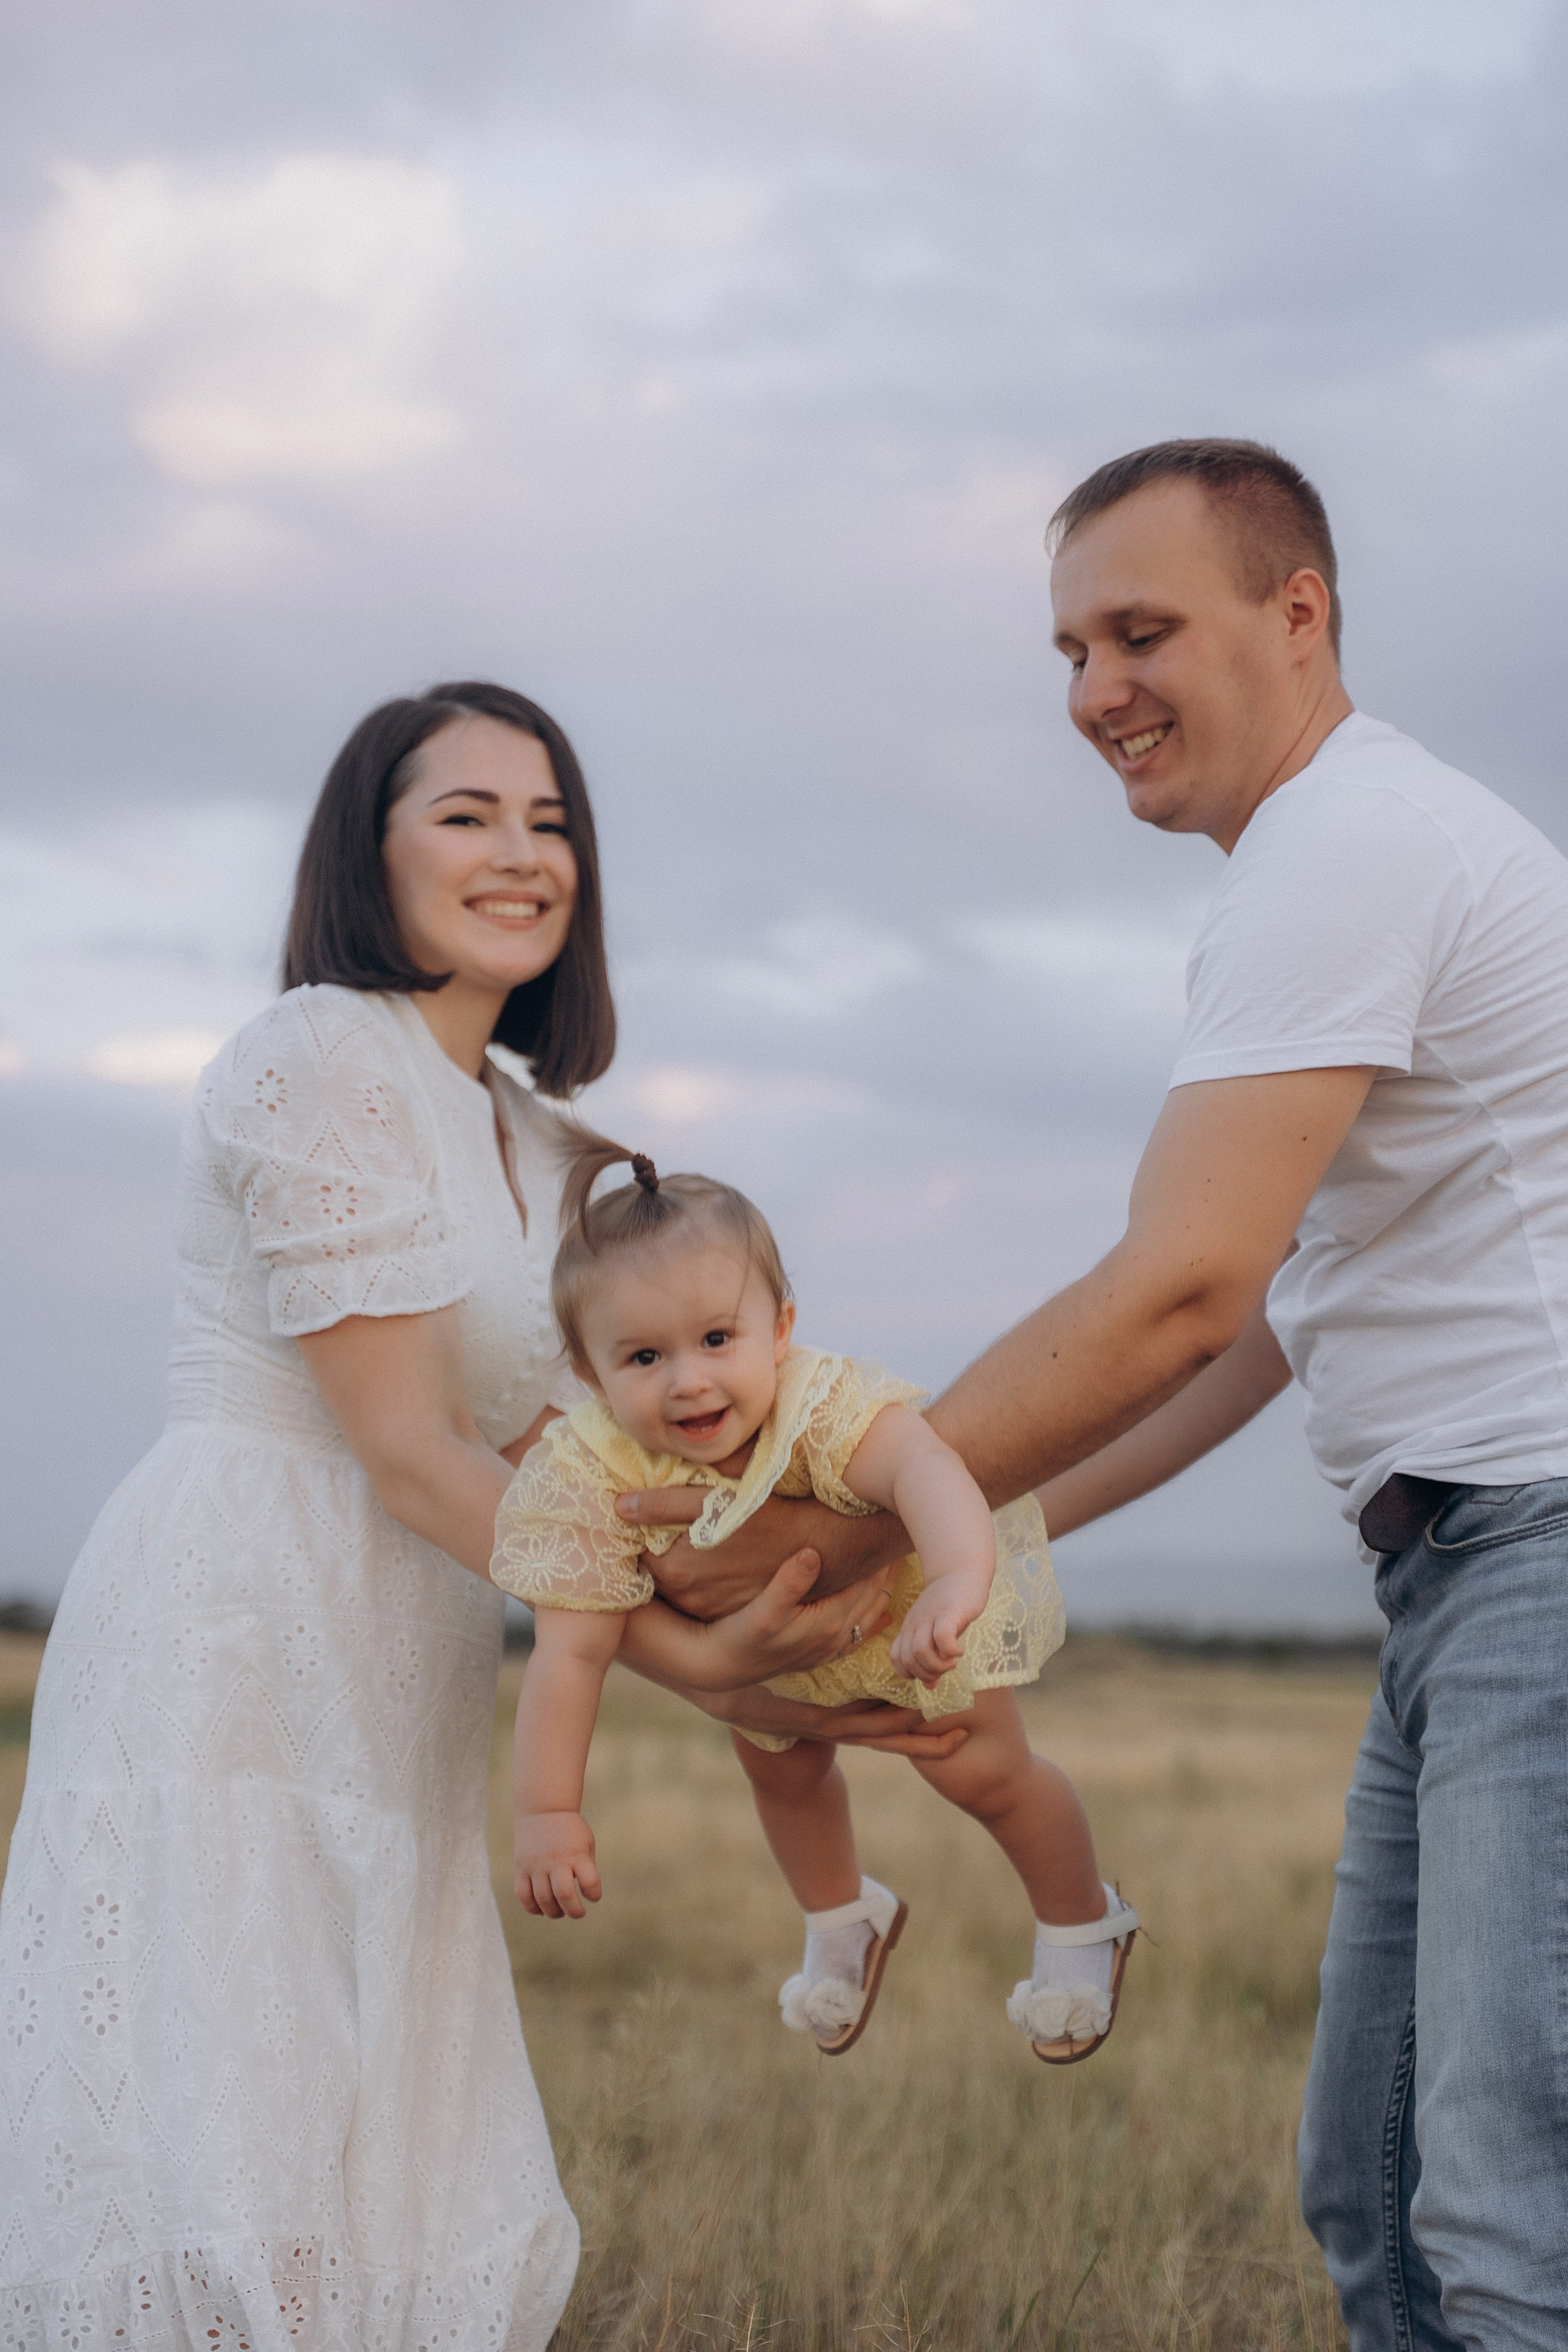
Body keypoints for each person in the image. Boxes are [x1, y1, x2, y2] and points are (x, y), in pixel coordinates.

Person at [616, 442, 1568, 2351]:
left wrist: (861, 1517)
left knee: (1497, 2215)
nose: (1094, 691)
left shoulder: (1346, 851)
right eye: (1069, 650)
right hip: (1463, 1576)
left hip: (1533, 1567)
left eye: (1141, 632)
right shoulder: (1339, 854)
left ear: (1297, 613)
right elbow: (1261, 1323)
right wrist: (957, 1533)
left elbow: (1178, 1290)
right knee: (1379, 2196)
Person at [0, 680, 892, 2352]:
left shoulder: (552, 1143)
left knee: (375, 2141)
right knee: (229, 2130)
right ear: (370, 847)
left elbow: (590, 1457)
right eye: (467, 814)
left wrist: (819, 1597)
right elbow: (413, 1451)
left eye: (551, 822)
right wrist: (691, 1666)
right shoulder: (314, 1057)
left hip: (412, 1650)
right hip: (240, 1625)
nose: (521, 854)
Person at [492, 1142, 1136, 2063]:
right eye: (643, 1356)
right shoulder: (590, 1469)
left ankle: (1081, 1920)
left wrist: (956, 1581)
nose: (688, 1379)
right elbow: (569, 1653)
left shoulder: (819, 1406)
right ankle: (842, 1916)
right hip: (766, 1658)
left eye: (718, 1340)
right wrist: (548, 1811)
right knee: (782, 1777)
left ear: (781, 1328)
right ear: (591, 1376)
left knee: (984, 1773)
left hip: (904, 1624)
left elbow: (924, 1468)